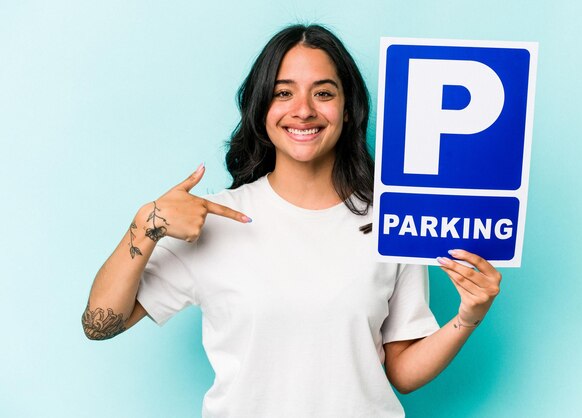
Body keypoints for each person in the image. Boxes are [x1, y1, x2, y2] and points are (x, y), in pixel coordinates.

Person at [82, 24, 502, 418]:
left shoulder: (389, 220)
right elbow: (99, 323)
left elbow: (402, 373)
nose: (302, 110)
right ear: (261, 106)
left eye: (323, 93)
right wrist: (145, 224)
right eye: (283, 93)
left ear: (349, 109)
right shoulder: (214, 220)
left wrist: (470, 314)